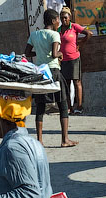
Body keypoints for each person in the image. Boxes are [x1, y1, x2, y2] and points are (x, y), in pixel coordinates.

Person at [26, 9, 75, 147]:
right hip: (54, 72)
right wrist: (60, 54)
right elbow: (54, 54)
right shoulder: (55, 34)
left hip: (41, 73)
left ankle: (40, 140)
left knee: (41, 106)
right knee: (63, 105)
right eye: (58, 20)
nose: (59, 22)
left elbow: (27, 52)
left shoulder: (34, 34)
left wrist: (40, 52)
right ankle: (65, 140)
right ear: (53, 21)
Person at [58, 6, 91, 113]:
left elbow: (89, 34)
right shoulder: (58, 30)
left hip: (74, 59)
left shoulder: (74, 27)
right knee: (66, 84)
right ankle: (69, 107)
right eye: (62, 18)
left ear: (70, 17)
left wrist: (80, 43)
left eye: (65, 18)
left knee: (77, 82)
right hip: (63, 60)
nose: (64, 20)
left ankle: (79, 107)